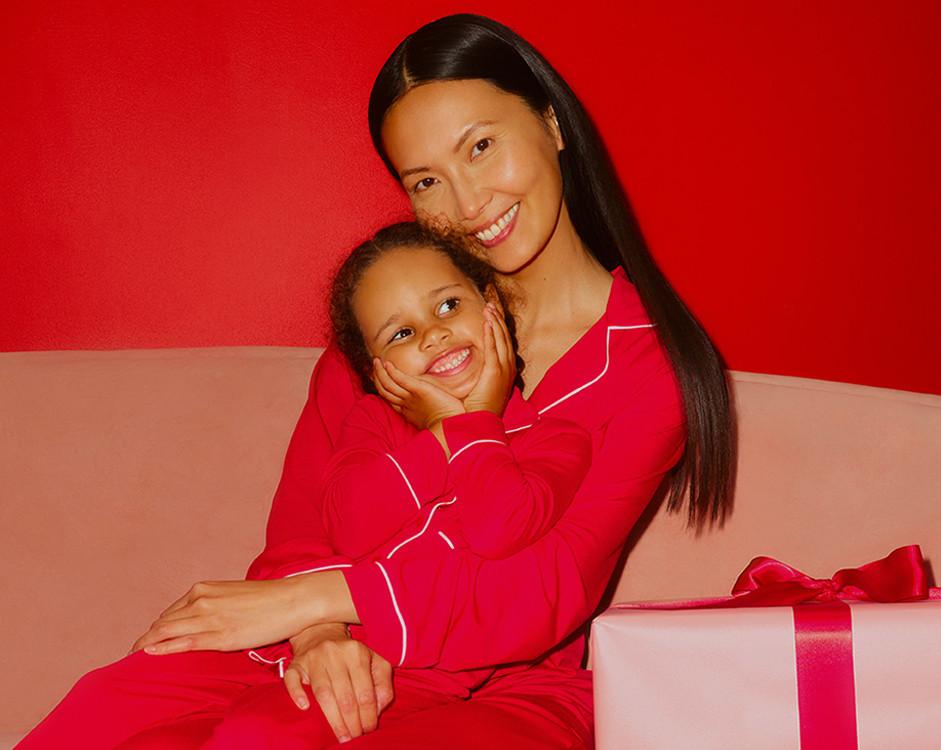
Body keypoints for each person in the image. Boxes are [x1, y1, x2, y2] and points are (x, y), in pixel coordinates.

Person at [23, 14, 737, 748]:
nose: (467, 205)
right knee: (104, 713)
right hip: (328, 642)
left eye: (481, 147)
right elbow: (303, 523)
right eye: (427, 180)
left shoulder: (647, 364)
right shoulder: (385, 331)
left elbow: (547, 592)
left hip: (508, 688)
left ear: (551, 122)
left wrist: (313, 599)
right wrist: (316, 633)